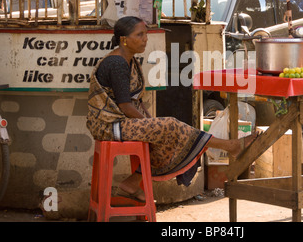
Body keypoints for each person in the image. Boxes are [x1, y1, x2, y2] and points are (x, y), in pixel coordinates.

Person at [86, 16, 256, 202]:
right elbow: (125, 106)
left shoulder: (128, 61)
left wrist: (151, 123)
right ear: (124, 39)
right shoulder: (116, 63)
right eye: (140, 34)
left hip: (121, 123)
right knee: (171, 126)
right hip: (108, 125)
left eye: (146, 34)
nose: (145, 38)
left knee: (169, 131)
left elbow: (134, 102)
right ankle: (230, 145)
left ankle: (133, 182)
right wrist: (149, 124)